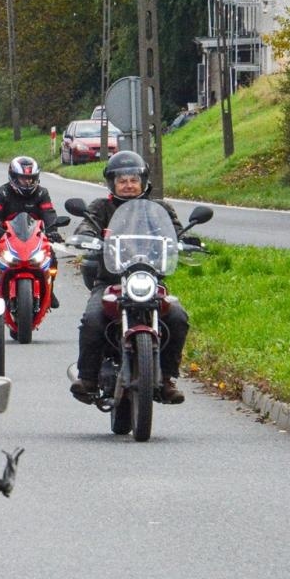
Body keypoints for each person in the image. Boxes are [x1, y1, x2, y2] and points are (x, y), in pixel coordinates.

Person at [69, 150, 190, 406]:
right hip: (111, 280)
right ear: (112, 183)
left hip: (150, 280)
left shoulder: (159, 208)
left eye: (133, 179)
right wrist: (86, 237)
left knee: (178, 317)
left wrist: (186, 240)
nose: (128, 185)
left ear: (143, 181)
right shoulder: (101, 207)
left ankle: (167, 378)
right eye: (121, 180)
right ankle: (88, 378)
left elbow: (176, 231)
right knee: (93, 319)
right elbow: (86, 225)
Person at [0, 156, 61, 304]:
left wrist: (53, 230)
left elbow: (49, 213)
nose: (28, 182)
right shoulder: (2, 192)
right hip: (7, 238)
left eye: (31, 178)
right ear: (13, 177)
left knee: (52, 260)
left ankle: (50, 291)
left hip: (35, 238)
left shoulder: (41, 193)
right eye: (23, 178)